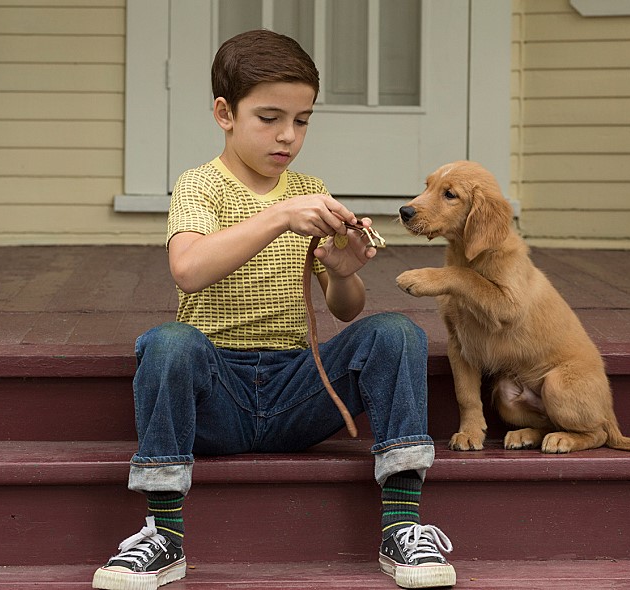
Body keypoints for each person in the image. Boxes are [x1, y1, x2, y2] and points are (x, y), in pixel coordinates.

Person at [92, 29, 456, 590]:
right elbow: (187, 268)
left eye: (303, 119)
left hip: (297, 389)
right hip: (218, 395)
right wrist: (281, 215)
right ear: (224, 113)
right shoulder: (201, 185)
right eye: (269, 118)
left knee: (396, 333)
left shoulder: (308, 188)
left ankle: (403, 526)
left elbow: (345, 311)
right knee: (167, 343)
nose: (288, 135)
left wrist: (342, 269)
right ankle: (162, 535)